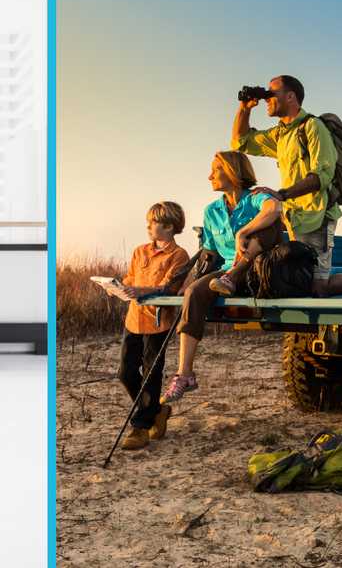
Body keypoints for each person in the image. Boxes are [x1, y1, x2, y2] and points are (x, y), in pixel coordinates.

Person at [230, 74, 342, 297]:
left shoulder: (312, 127)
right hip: (295, 218)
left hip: (317, 217)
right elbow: (240, 142)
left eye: (271, 94)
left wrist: (282, 194)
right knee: (302, 281)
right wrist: (245, 108)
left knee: (318, 288)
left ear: (290, 96)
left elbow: (322, 176)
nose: (267, 99)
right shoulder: (281, 134)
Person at [161, 152, 282, 403]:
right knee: (194, 292)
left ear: (233, 171)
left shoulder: (257, 197)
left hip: (260, 270)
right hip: (224, 272)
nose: (209, 176)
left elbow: (274, 208)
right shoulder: (212, 210)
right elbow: (211, 253)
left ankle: (233, 276)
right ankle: (185, 375)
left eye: (215, 170)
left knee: (263, 231)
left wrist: (244, 232)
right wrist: (188, 283)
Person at [111, 202, 191, 450]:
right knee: (125, 372)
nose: (147, 227)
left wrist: (141, 290)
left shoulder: (179, 256)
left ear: (168, 226)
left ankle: (141, 427)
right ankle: (157, 410)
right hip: (133, 319)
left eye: (152, 223)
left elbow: (169, 288)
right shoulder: (139, 251)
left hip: (158, 321)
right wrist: (118, 287)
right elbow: (131, 279)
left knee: (151, 373)